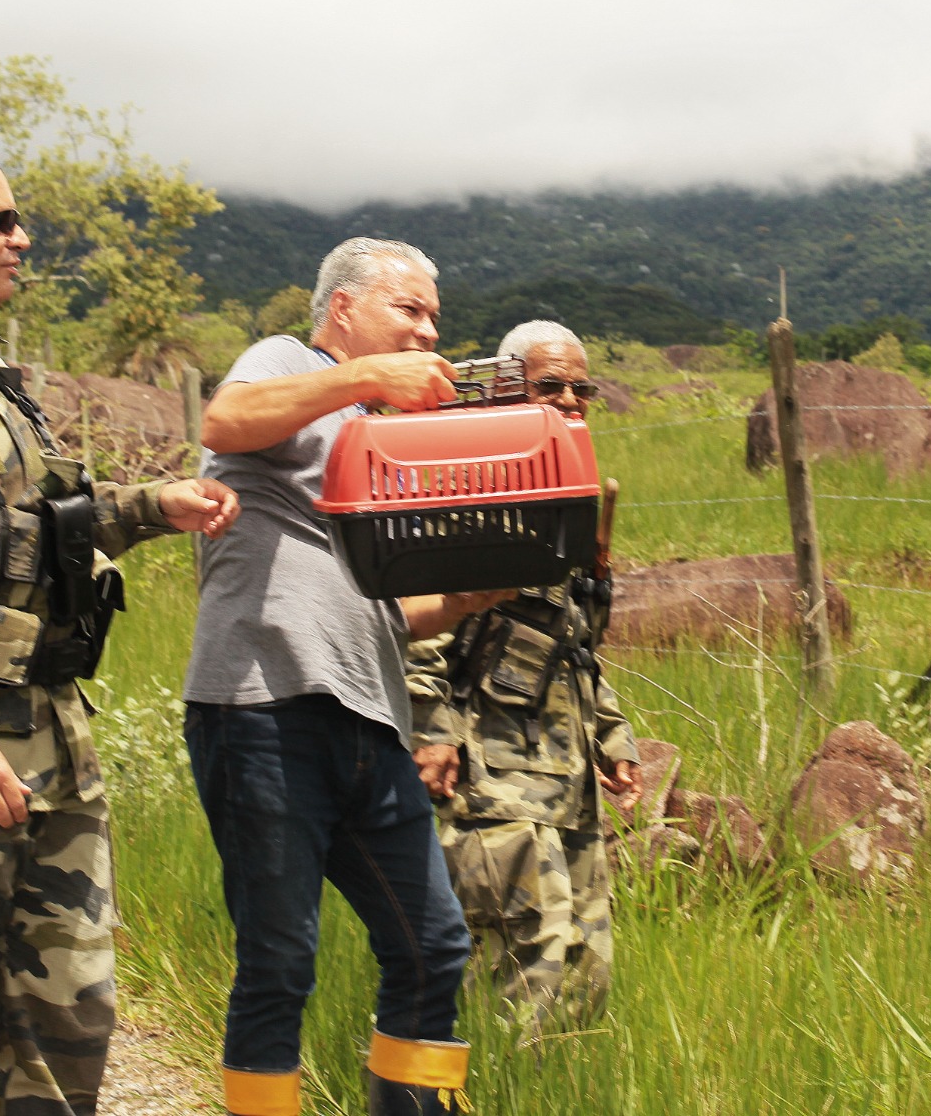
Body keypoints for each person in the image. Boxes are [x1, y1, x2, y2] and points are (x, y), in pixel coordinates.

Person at [0, 142, 240, 1116]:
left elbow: (54, 520)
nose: (23, 237)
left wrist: (159, 503)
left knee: (66, 1034)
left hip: (51, 751)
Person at [183, 237, 510, 1116]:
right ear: (344, 310)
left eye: (434, 315)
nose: (427, 329)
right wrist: (363, 381)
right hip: (259, 710)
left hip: (368, 719)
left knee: (433, 943)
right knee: (281, 960)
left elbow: (383, 615)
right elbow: (222, 423)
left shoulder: (371, 435)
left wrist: (468, 599)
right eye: (409, 309)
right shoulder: (287, 362)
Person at [406, 320, 642, 1038]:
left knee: (586, 972)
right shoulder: (468, 490)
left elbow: (573, 641)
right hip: (494, 781)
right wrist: (433, 731)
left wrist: (613, 736)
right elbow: (414, 626)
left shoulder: (568, 492)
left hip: (567, 786)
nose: (571, 400)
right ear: (509, 390)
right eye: (550, 386)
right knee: (522, 966)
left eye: (582, 388)